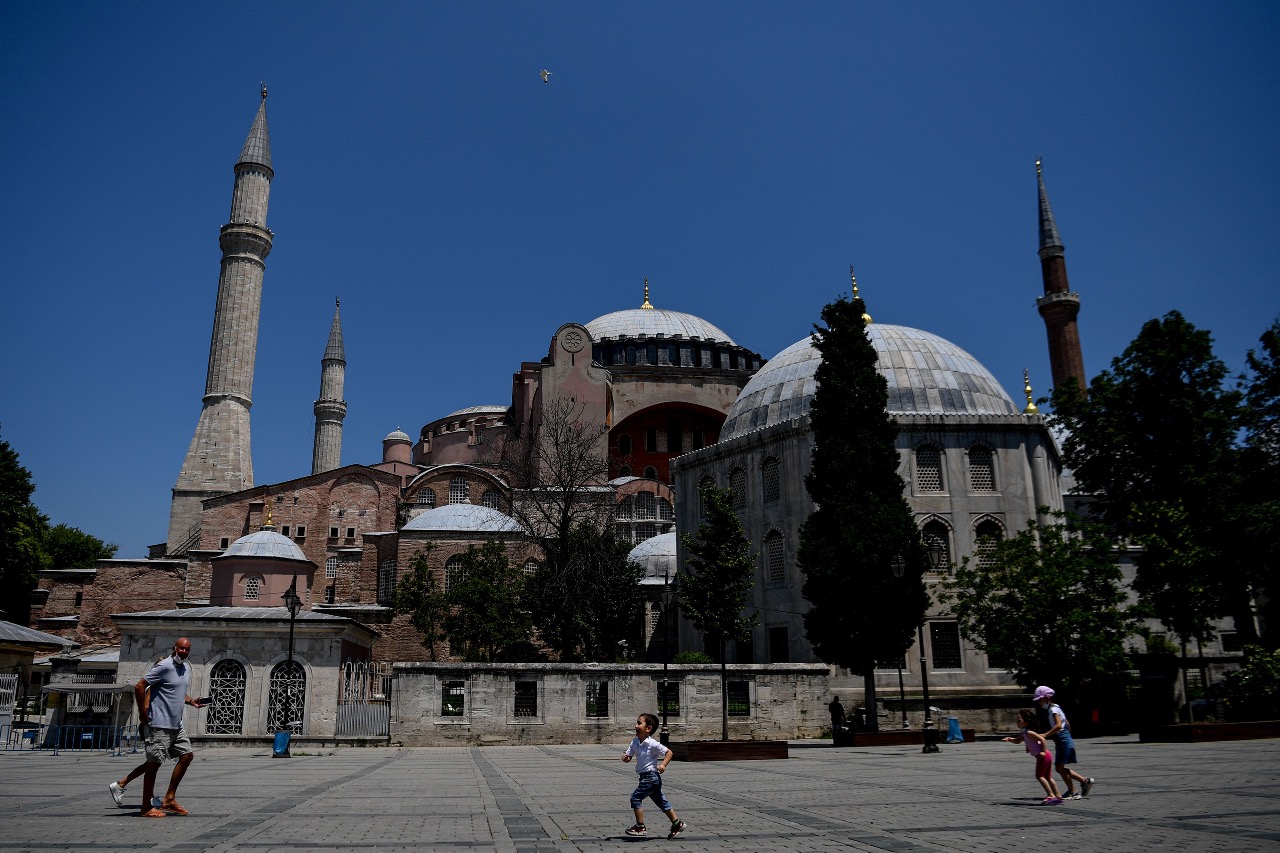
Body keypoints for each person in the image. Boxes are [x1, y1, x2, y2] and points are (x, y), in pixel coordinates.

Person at [114, 638, 206, 817]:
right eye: (181, 649)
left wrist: (191, 701)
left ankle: (169, 798)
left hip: (175, 724)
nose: (184, 652)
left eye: (187, 649)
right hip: (159, 724)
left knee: (187, 756)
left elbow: (176, 692)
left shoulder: (185, 668)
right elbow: (140, 686)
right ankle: (146, 808)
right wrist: (142, 712)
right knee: (153, 764)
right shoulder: (164, 665)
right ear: (174, 648)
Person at [620, 713, 686, 839]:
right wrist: (626, 758)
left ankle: (640, 827)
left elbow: (668, 752)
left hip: (651, 777)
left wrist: (663, 765)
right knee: (661, 802)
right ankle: (677, 823)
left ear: (648, 728)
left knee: (635, 798)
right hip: (646, 777)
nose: (636, 726)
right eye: (637, 723)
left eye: (639, 723)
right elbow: (629, 756)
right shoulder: (634, 742)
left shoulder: (652, 743)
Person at [1034, 685, 1095, 799]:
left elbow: (1058, 725)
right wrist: (1068, 737)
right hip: (1064, 738)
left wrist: (1045, 735)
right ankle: (1084, 781)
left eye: (1040, 699)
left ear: (1046, 698)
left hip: (1062, 738)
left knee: (1059, 768)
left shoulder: (1053, 710)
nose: (1039, 702)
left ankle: (1073, 791)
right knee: (1059, 767)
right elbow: (1066, 723)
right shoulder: (1057, 707)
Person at [1002, 707, 1063, 805]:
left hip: (1043, 756)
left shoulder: (1029, 732)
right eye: (1017, 720)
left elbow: (1042, 740)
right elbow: (1018, 741)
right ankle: (1058, 795)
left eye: (1019, 720)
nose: (1017, 722)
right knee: (1047, 776)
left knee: (1039, 776)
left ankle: (1051, 795)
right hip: (1046, 756)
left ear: (1027, 721)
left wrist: (1042, 751)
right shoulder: (1024, 733)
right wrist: (1010, 739)